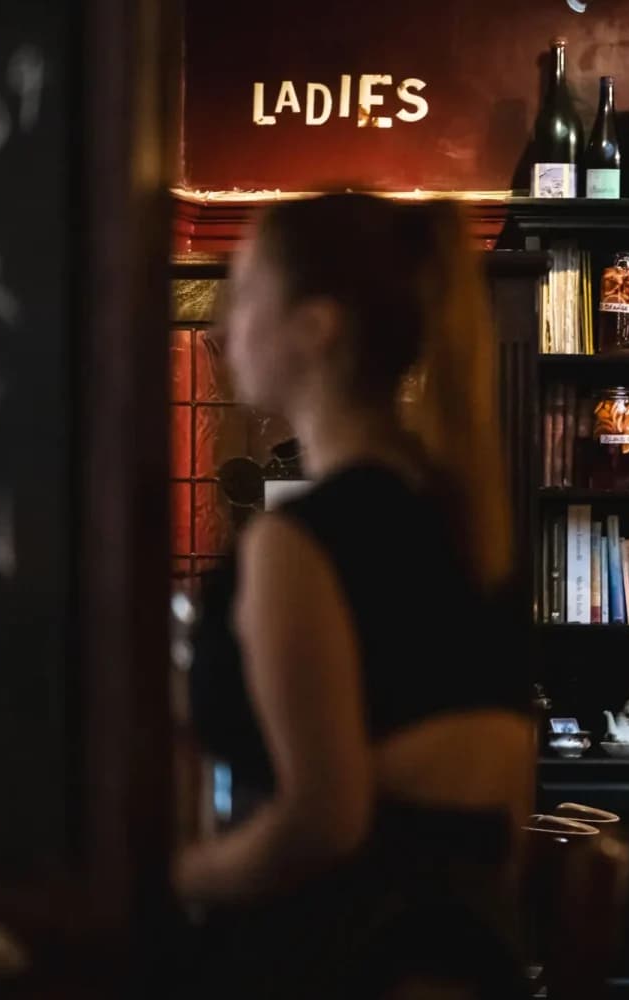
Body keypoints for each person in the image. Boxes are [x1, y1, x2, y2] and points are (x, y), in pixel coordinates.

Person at [178, 193, 532, 999]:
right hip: (472, 959)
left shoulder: (299, 543)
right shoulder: (471, 526)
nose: (224, 323)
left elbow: (323, 822)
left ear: (317, 327)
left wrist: (175, 879)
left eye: (246, 292)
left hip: (340, 962)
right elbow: (502, 820)